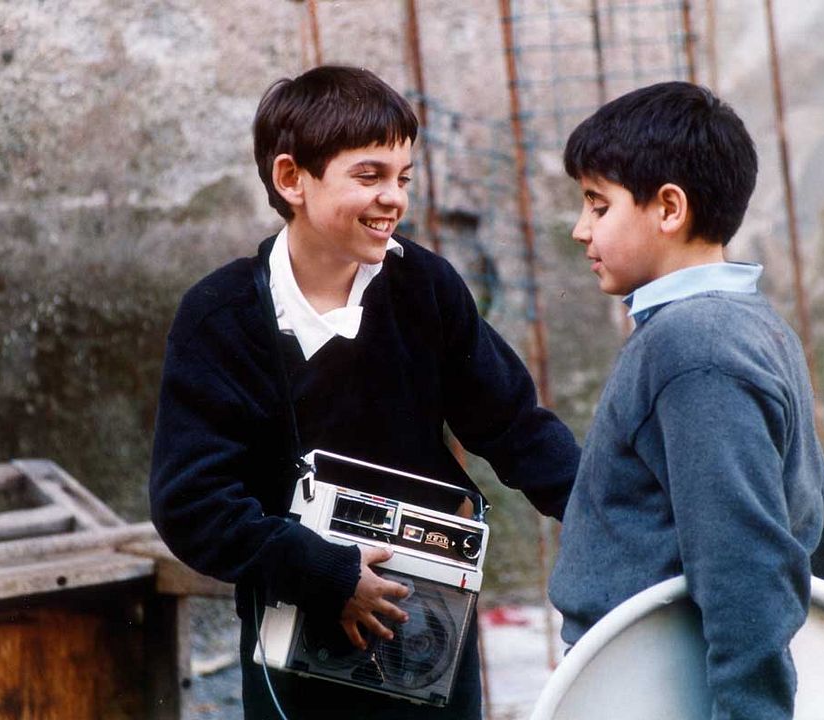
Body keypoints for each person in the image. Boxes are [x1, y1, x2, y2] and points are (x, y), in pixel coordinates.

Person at [149, 65, 579, 720]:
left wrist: (603, 514)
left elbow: (514, 426)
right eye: (369, 175)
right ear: (291, 179)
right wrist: (328, 574)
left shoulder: (423, 288)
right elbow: (192, 503)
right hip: (297, 632)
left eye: (403, 178)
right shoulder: (222, 316)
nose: (393, 199)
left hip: (426, 626)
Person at [548, 81, 824, 719]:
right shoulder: (750, 323)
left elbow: (747, 564)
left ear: (669, 208)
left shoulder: (695, 346)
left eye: (598, 206)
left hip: (654, 689)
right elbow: (823, 525)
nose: (580, 229)